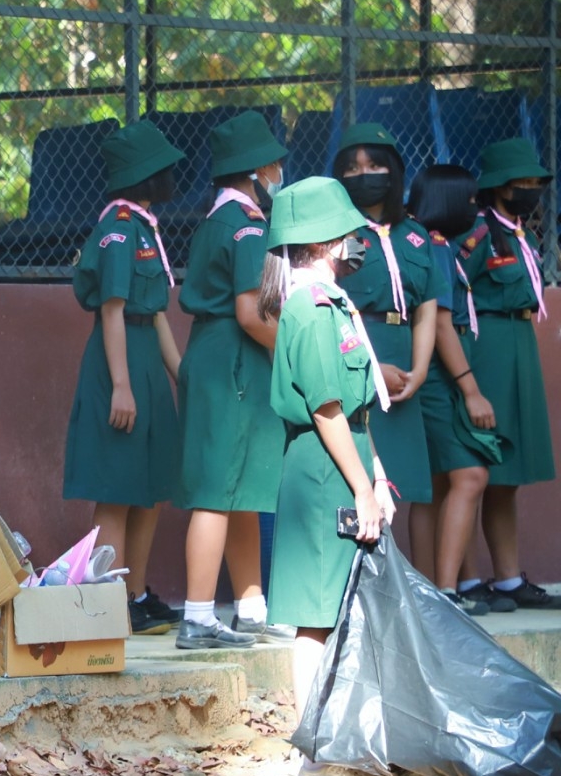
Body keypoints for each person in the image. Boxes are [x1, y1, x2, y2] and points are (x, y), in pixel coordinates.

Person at [261, 177, 394, 709]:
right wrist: (361, 488)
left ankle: (332, 735)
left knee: (345, 606)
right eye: (347, 231)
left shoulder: (332, 303)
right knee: (317, 613)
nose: (356, 240)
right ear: (322, 241)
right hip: (323, 470)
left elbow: (357, 410)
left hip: (348, 457)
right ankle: (308, 745)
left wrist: (377, 478)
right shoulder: (311, 309)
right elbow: (325, 409)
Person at [62, 119, 185, 635]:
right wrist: (121, 385)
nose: (170, 178)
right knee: (116, 487)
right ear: (141, 175)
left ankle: (133, 594)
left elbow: (155, 312)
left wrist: (180, 374)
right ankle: (106, 598)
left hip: (147, 364)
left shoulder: (145, 226)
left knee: (148, 486)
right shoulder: (116, 227)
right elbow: (113, 311)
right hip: (120, 364)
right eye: (161, 170)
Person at [174, 112, 291, 649]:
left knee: (242, 486)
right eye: (275, 161)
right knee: (218, 489)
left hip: (220, 355)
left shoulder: (220, 218)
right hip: (235, 362)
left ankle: (251, 607)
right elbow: (250, 312)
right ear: (257, 168)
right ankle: (198, 616)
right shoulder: (246, 224)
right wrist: (293, 351)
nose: (280, 169)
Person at [452, 137, 556, 611]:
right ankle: (469, 579)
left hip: (519, 350)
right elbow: (454, 297)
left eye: (537, 182)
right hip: (486, 346)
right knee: (478, 468)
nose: (532, 189)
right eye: (523, 183)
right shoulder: (474, 234)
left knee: (507, 475)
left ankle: (509, 579)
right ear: (498, 186)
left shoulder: (522, 233)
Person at [331, 124, 441, 564]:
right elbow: (334, 307)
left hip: (406, 363)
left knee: (411, 484)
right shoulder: (335, 234)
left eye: (375, 164)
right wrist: (375, 369)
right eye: (353, 167)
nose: (365, 174)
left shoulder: (414, 233)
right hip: (358, 355)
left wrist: (417, 371)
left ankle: (422, 587)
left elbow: (428, 307)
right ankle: (365, 586)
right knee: (366, 479)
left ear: (393, 171)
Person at [402, 164, 501, 613]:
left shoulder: (420, 238)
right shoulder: (436, 246)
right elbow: (441, 322)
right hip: (441, 377)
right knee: (470, 476)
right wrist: (470, 389)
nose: (474, 207)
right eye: (468, 199)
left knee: (437, 484)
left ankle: (429, 591)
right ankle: (444, 591)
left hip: (431, 373)